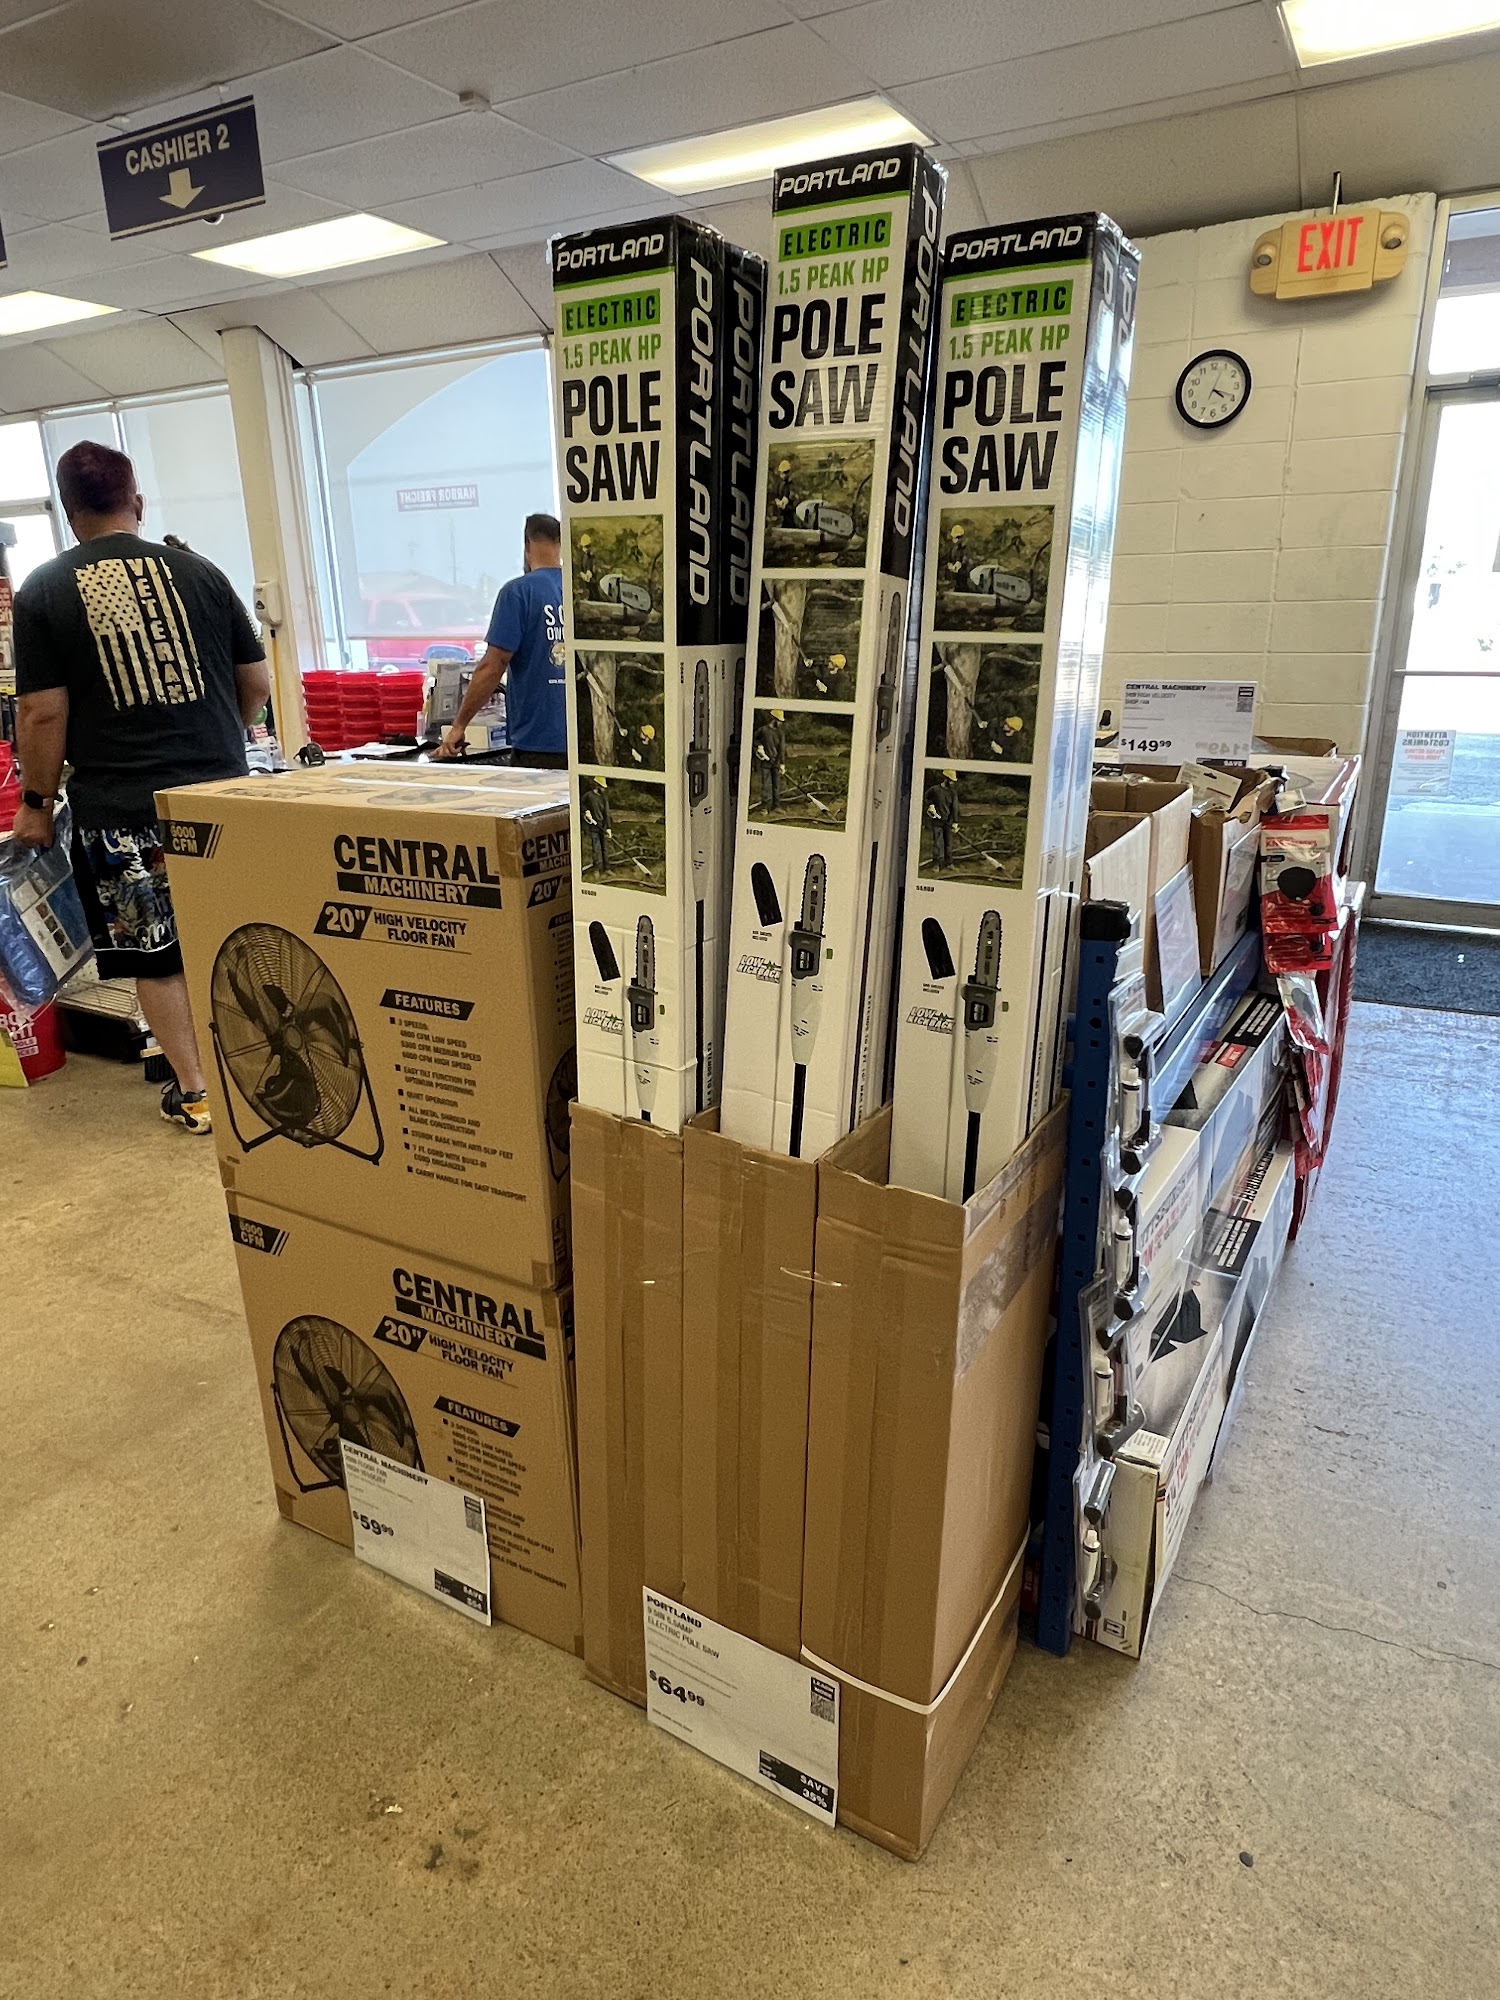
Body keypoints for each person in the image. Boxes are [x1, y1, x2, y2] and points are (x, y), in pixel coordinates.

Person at [11, 440, 269, 1133]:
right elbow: (255, 683)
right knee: (233, 936)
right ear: (139, 503)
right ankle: (255, 1074)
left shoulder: (44, 590)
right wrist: (221, 740)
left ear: (70, 513)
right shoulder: (203, 573)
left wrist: (36, 806)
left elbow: (41, 712)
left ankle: (198, 1094)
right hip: (221, 802)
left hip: (122, 810)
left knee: (156, 954)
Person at [437, 513, 565, 766]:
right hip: (585, 741)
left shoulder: (518, 592)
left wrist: (459, 725)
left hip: (538, 742)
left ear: (527, 544)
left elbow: (493, 666)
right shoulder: (578, 590)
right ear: (560, 543)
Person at [926, 770, 959, 872]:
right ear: (946, 779)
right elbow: (927, 797)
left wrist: (955, 822)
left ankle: (949, 863)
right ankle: (936, 864)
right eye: (951, 780)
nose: (952, 783)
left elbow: (955, 808)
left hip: (948, 822)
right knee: (937, 843)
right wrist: (930, 806)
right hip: (937, 822)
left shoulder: (952, 793)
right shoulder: (935, 790)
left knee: (948, 844)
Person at [753, 710, 786, 813]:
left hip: (776, 762)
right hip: (765, 762)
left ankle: (776, 806)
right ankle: (765, 807)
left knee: (776, 785)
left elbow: (782, 749)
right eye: (779, 721)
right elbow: (754, 739)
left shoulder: (780, 733)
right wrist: (759, 747)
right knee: (766, 785)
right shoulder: (763, 730)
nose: (780, 723)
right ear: (773, 719)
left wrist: (782, 763)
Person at [580, 777, 611, 876]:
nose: (603, 789)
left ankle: (607, 868)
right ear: (597, 785)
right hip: (593, 827)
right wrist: (586, 812)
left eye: (604, 787)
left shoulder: (604, 798)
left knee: (604, 848)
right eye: (602, 787)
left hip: (602, 827)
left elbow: (607, 813)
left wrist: (608, 828)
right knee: (596, 849)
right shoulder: (588, 796)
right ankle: (596, 869)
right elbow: (581, 804)